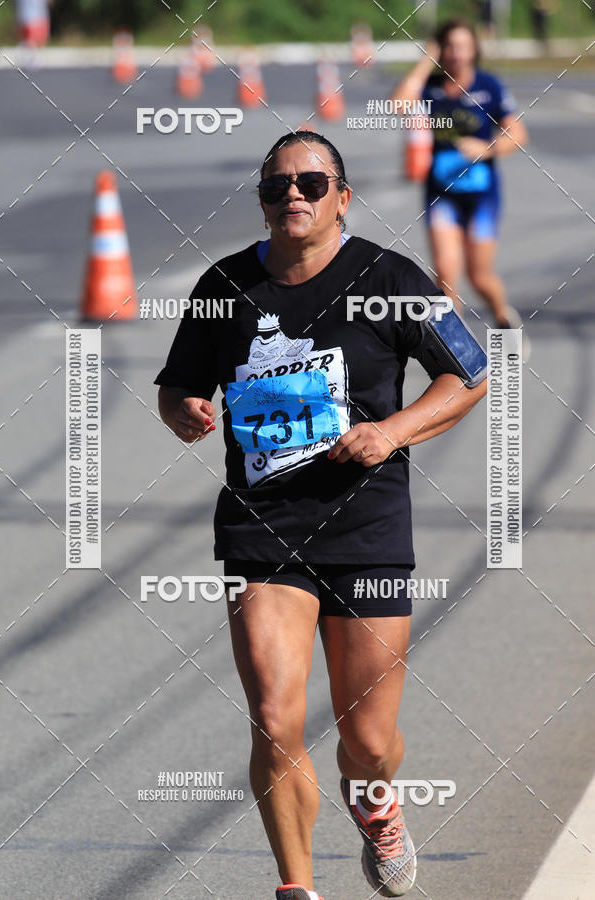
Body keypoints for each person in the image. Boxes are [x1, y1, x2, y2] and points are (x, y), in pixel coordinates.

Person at [155, 130, 487, 899]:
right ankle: (297, 887)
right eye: (277, 186)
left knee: (367, 743)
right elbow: (176, 388)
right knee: (275, 719)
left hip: (366, 529)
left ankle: (375, 802)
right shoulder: (224, 286)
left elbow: (469, 372)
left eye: (311, 182)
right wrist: (185, 411)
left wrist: (392, 431)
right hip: (261, 530)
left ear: (343, 195)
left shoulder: (388, 276)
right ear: (263, 200)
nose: (293, 196)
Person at [392, 18, 529, 332]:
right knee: (445, 272)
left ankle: (503, 320)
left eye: (464, 46)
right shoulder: (430, 88)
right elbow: (398, 106)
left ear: (474, 50)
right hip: (441, 193)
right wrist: (426, 62)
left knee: (479, 276)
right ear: (440, 49)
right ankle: (459, 355)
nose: (457, 53)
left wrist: (487, 147)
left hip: (482, 193)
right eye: (450, 46)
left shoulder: (488, 85)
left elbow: (518, 134)